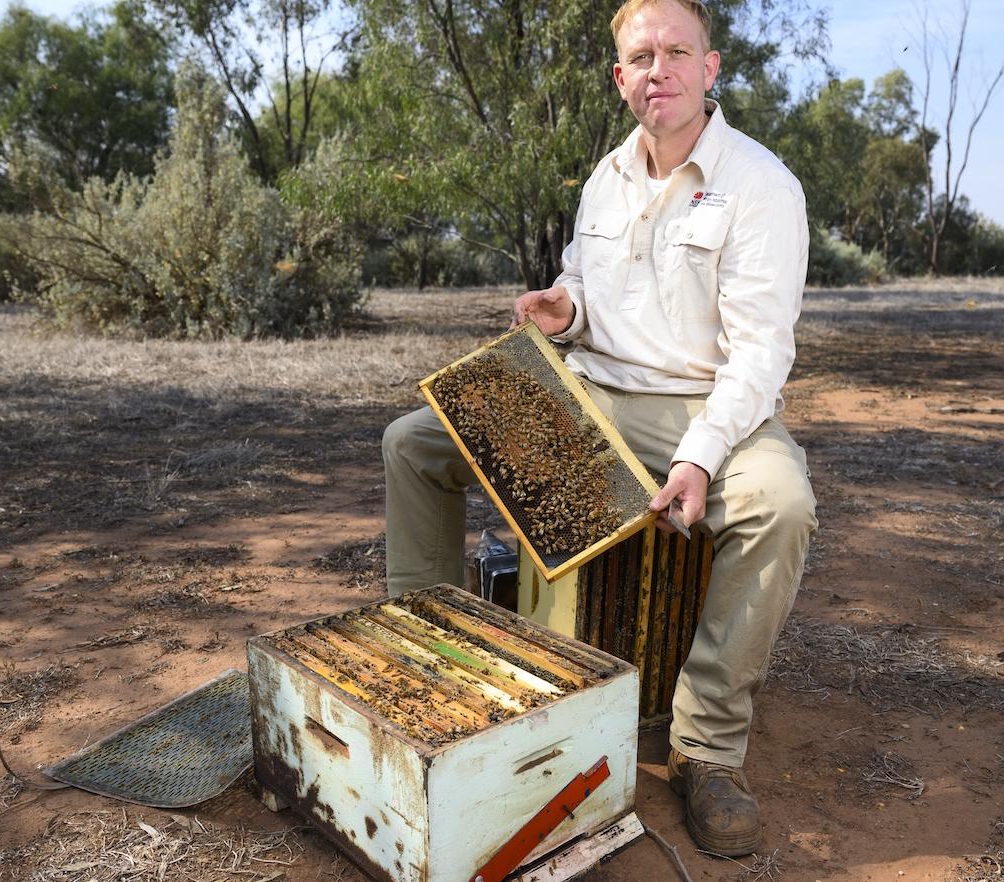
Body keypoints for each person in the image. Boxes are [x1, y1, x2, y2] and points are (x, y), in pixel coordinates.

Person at [381, 0, 815, 857]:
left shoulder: (762, 185)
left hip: (705, 406)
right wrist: (565, 308)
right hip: (590, 391)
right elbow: (590, 287)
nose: (660, 69)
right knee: (413, 445)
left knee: (781, 504)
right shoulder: (604, 177)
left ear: (710, 68)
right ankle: (425, 654)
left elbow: (760, 355)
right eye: (642, 57)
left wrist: (698, 459)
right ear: (621, 80)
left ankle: (704, 750)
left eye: (677, 52)